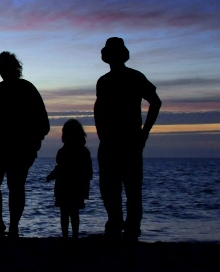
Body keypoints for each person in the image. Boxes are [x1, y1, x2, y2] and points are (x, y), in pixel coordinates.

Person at [0, 51, 50, 238]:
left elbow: (42, 121)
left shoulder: (27, 89)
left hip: (19, 147)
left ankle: (13, 226)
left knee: (15, 186)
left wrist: (35, 141)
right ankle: (0, 224)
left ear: (14, 67)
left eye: (3, 65)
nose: (0, 69)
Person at [94, 37, 161, 242]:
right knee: (110, 188)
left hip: (129, 141)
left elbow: (155, 102)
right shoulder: (104, 81)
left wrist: (145, 132)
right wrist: (102, 134)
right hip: (111, 141)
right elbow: (99, 110)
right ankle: (116, 224)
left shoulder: (134, 77)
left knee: (130, 189)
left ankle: (130, 229)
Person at [45, 119, 92, 239]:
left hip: (65, 188)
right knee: (74, 213)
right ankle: (74, 236)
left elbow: (60, 169)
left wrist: (51, 176)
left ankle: (65, 236)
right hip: (77, 188)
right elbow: (89, 172)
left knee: (65, 213)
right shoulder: (84, 152)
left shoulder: (63, 152)